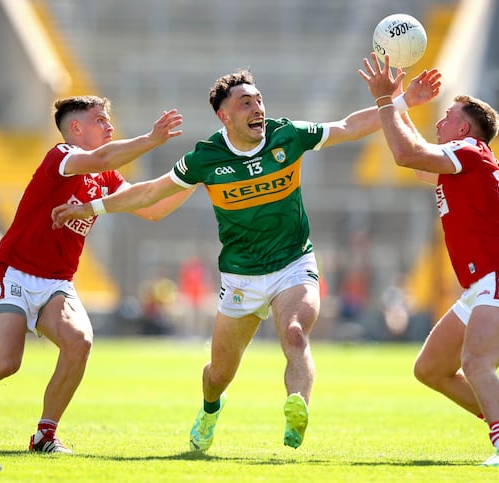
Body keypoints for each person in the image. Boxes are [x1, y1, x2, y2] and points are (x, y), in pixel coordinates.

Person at [50, 69, 441, 451]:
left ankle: (297, 407)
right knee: (218, 374)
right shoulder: (206, 157)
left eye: (259, 100)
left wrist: (401, 100)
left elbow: (349, 126)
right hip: (241, 278)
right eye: (245, 103)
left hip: (294, 263)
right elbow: (150, 193)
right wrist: (93, 207)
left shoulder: (288, 135)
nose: (257, 108)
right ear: (224, 115)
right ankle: (209, 410)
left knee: (294, 332)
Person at [0, 95, 193, 454]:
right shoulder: (60, 156)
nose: (110, 126)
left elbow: (153, 206)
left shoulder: (105, 175)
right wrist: (151, 139)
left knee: (79, 341)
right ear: (76, 128)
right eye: (101, 119)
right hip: (13, 272)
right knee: (3, 363)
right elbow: (101, 157)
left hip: (57, 282)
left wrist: (193, 177)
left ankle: (44, 435)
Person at [359, 54, 499, 467]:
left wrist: (388, 100)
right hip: (484, 284)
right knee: (430, 369)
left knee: (476, 362)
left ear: (464, 129)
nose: (438, 123)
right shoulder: (463, 160)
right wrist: (397, 103)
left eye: (446, 117)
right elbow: (409, 155)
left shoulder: (470, 150)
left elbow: (408, 154)